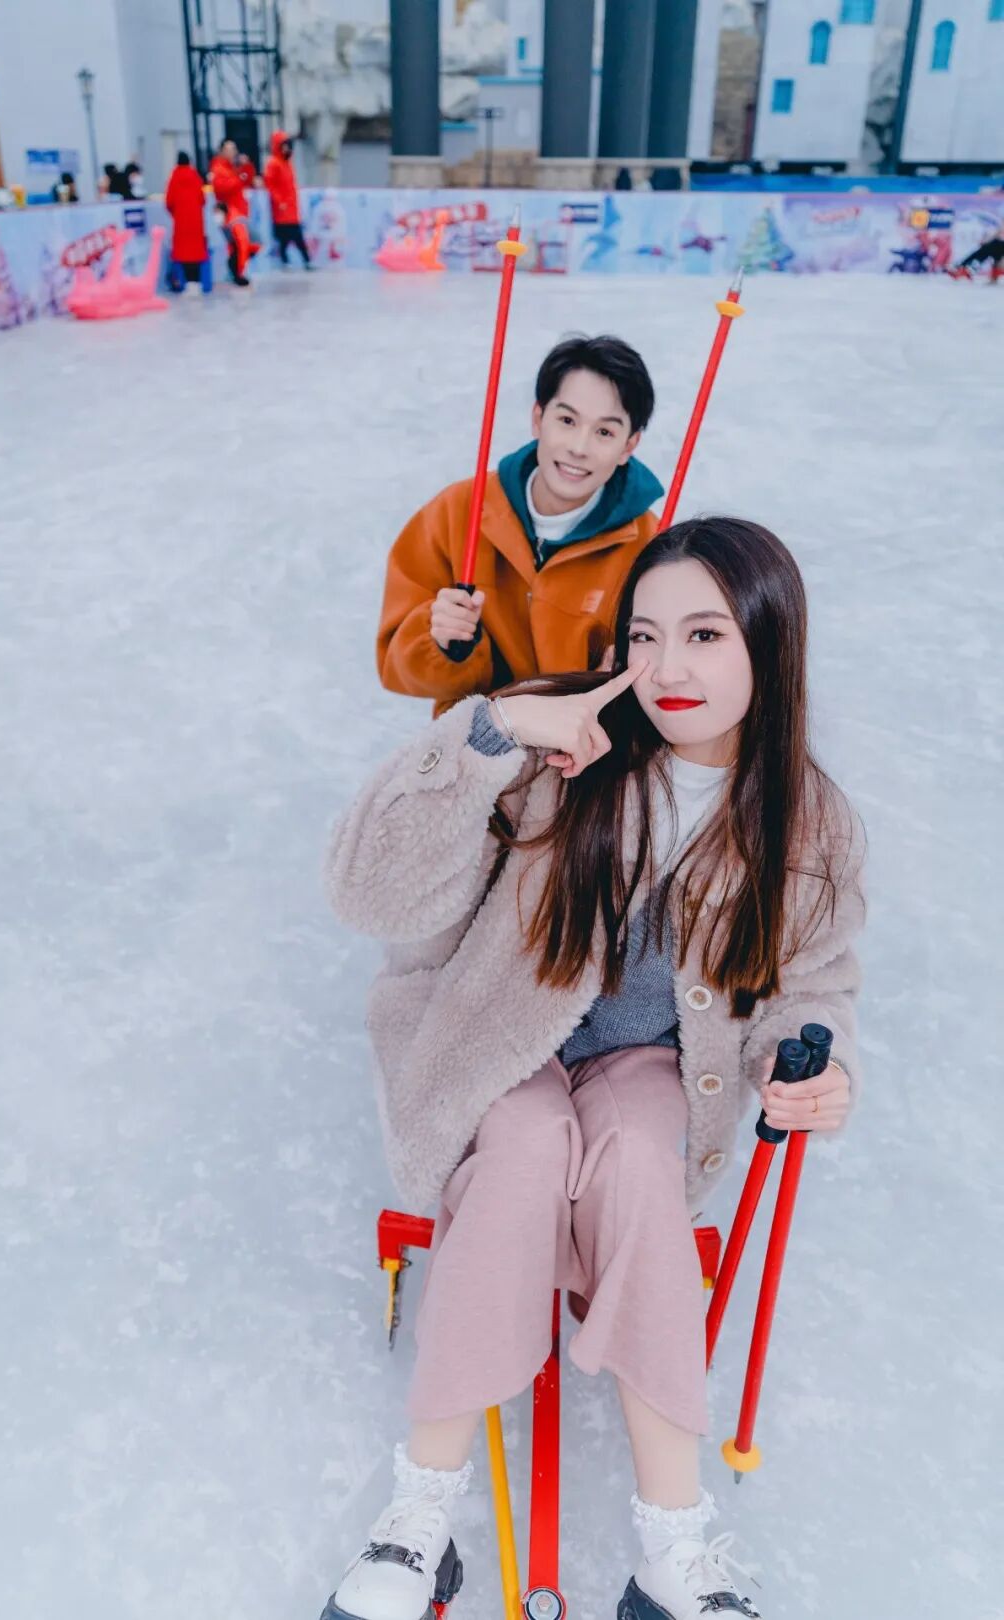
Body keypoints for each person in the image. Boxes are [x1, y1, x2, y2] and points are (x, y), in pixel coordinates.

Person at [325, 516, 866, 1620]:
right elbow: (368, 892)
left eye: (705, 635)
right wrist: (494, 729)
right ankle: (418, 1520)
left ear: (770, 644)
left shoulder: (806, 819)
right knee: (526, 1145)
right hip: (492, 1039)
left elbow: (813, 983)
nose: (666, 668)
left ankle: (674, 1543)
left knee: (636, 1163)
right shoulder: (559, 740)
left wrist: (809, 1060)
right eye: (645, 636)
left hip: (649, 1064)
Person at [378, 334, 662, 714]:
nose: (579, 447)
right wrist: (445, 643)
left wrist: (624, 681)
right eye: (567, 420)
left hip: (590, 741)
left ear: (629, 446)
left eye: (605, 432)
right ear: (537, 418)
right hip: (477, 739)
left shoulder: (652, 546)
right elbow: (397, 666)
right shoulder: (457, 512)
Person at [263, 130, 312, 268]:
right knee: (286, 236)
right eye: (284, 145)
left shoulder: (287, 163)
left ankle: (304, 260)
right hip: (282, 208)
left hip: (291, 206)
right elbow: (271, 185)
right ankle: (288, 261)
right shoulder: (273, 163)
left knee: (296, 235)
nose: (287, 149)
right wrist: (279, 202)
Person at [165, 151, 208, 290]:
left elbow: (169, 202)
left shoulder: (174, 177)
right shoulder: (195, 176)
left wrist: (176, 214)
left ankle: (187, 283)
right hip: (196, 221)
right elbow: (202, 199)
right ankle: (197, 282)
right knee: (196, 252)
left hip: (181, 221)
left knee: (184, 252)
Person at [213, 197, 259, 286]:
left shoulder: (235, 223)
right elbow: (230, 243)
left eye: (217, 212)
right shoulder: (225, 222)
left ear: (224, 212)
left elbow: (243, 247)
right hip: (241, 244)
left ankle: (240, 278)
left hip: (253, 245)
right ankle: (237, 277)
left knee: (234, 261)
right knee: (231, 260)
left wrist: (241, 269)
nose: (215, 215)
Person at [209, 138, 248, 218]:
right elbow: (219, 188)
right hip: (230, 212)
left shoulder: (232, 167)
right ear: (222, 151)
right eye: (230, 150)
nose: (233, 152)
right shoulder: (218, 168)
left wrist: (246, 166)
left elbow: (247, 180)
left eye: (234, 149)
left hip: (238, 210)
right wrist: (238, 180)